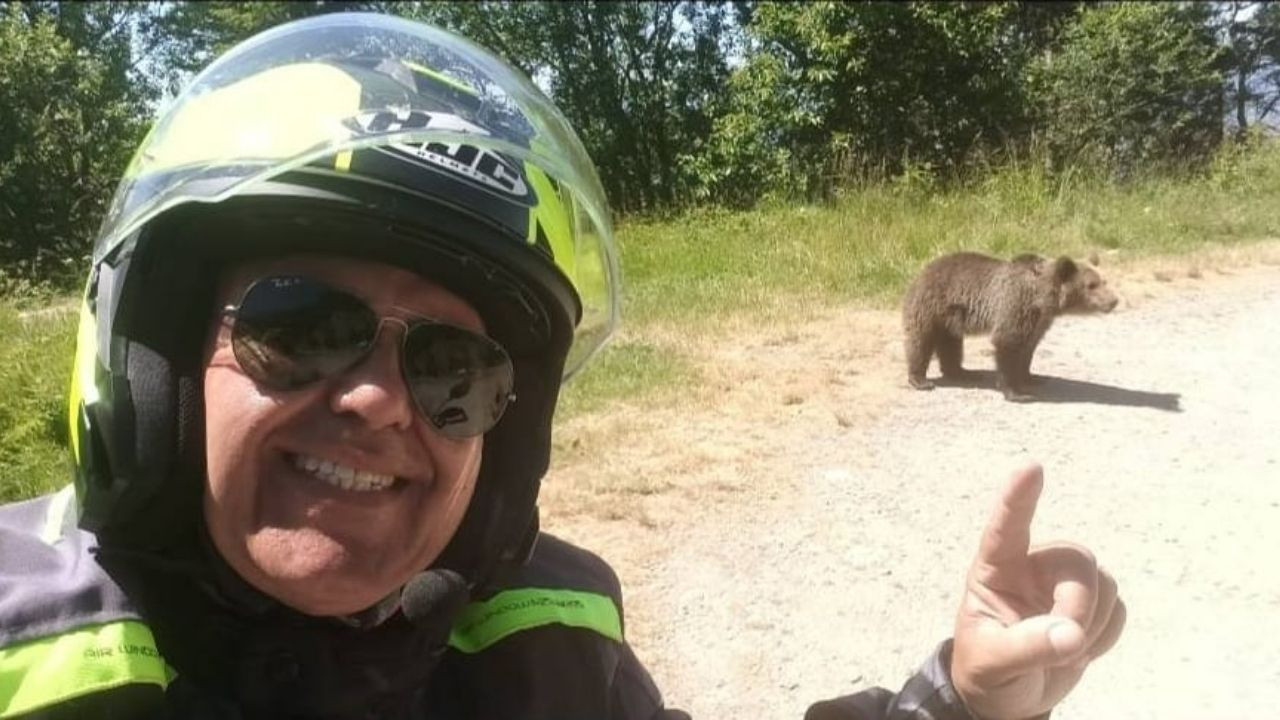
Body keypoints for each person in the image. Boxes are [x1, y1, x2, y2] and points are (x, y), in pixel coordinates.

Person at [0, 13, 1124, 720]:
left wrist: (951, 707)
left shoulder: (545, 643)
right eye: (299, 327)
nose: (384, 401)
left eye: (456, 369)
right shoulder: (25, 643)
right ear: (147, 361)